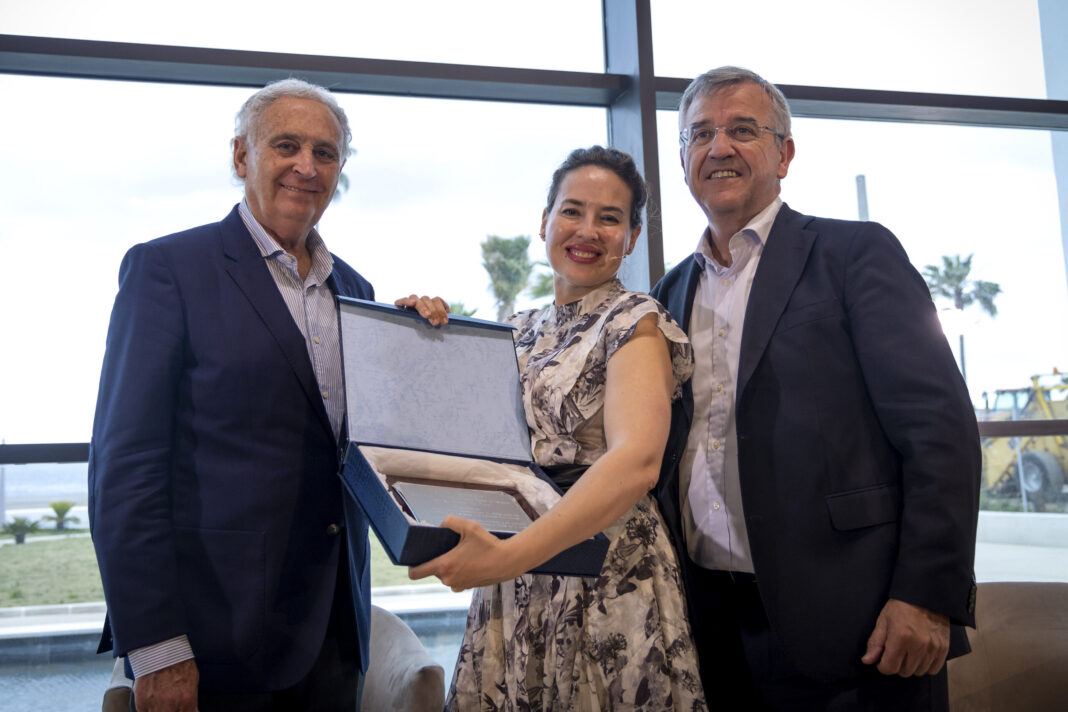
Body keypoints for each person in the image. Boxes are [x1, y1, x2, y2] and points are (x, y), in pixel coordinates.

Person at [89, 78, 447, 711]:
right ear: (241, 156)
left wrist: (420, 345)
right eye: (287, 145)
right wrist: (158, 647)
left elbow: (374, 448)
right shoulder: (168, 270)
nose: (307, 166)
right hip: (215, 640)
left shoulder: (357, 291)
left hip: (335, 633)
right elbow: (125, 470)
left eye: (325, 153)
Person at [650, 66, 982, 710]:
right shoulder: (668, 293)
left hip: (857, 623)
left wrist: (926, 596)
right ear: (684, 158)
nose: (719, 147)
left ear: (785, 154)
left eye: (743, 130)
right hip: (711, 627)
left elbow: (939, 431)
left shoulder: (854, 254)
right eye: (700, 134)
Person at [409, 146, 708, 710]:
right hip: (514, 569)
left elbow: (637, 463)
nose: (587, 230)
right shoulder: (516, 328)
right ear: (545, 220)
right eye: (572, 211)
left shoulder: (636, 321)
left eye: (609, 218)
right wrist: (422, 336)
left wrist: (510, 556)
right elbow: (461, 440)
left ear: (632, 238)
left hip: (605, 570)